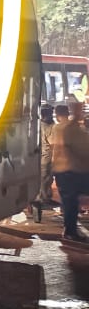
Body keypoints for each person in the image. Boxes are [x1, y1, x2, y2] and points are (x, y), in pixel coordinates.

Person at [50, 100, 89, 242]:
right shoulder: (70, 129)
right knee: (71, 202)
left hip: (64, 171)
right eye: (80, 110)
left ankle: (70, 230)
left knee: (70, 202)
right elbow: (83, 150)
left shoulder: (60, 128)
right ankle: (70, 231)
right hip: (70, 171)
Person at [39, 104, 56, 206]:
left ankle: (44, 198)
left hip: (40, 156)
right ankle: (44, 199)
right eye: (51, 112)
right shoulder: (49, 127)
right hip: (48, 157)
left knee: (43, 178)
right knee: (46, 179)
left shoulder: (38, 124)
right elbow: (53, 144)